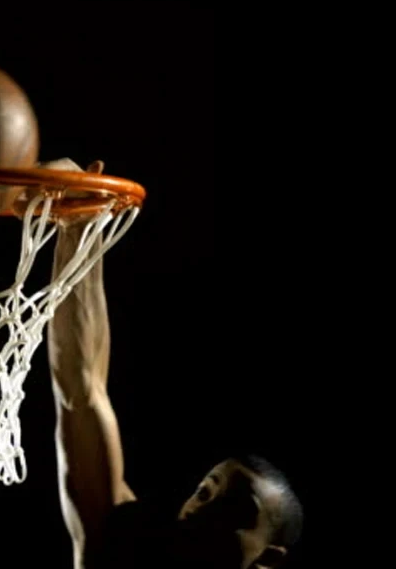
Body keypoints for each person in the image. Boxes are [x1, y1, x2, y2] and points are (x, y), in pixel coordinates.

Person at [45, 159, 303, 568]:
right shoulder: (119, 545)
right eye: (205, 490)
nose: (204, 508)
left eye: (236, 510)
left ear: (268, 558)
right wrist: (80, 223)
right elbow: (82, 389)